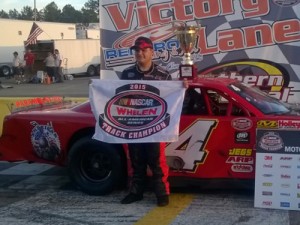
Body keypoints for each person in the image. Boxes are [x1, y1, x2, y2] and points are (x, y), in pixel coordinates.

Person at [120, 36, 172, 207]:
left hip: (156, 128)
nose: (140, 53)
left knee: (157, 162)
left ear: (151, 52)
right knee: (136, 161)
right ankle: (136, 193)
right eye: (137, 50)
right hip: (134, 126)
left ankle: (162, 194)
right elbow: (119, 99)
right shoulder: (127, 74)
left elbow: (174, 99)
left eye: (143, 50)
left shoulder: (163, 75)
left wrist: (183, 87)